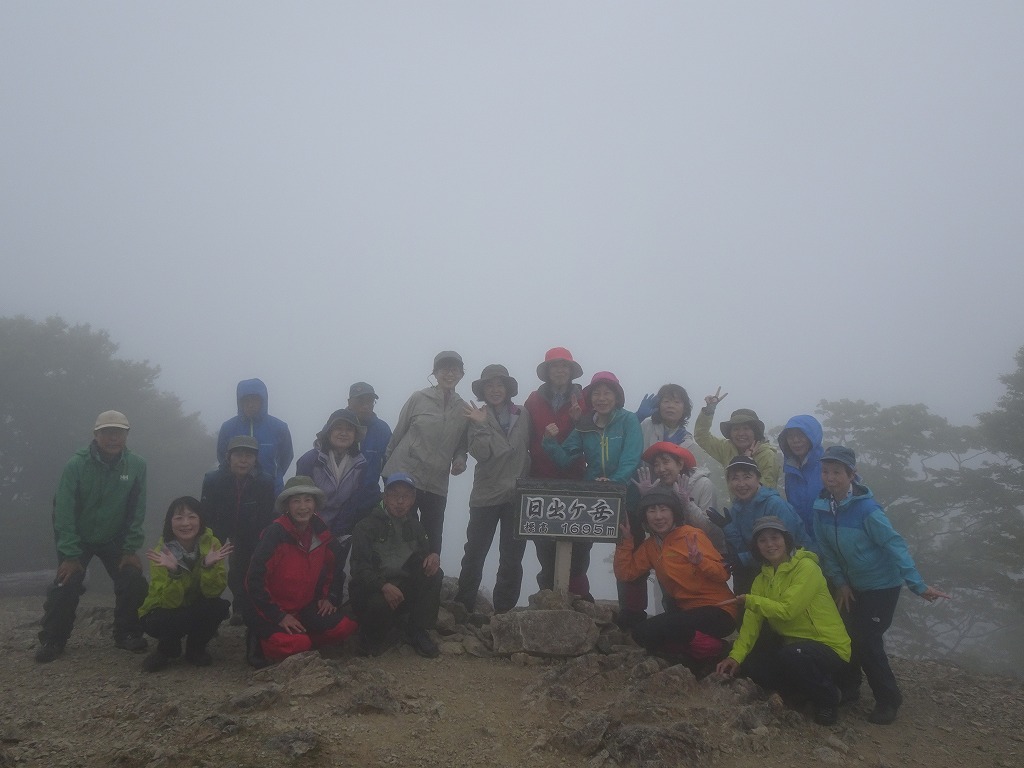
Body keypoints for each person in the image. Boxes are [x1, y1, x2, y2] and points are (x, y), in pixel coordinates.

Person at [812, 446, 950, 725]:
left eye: (837, 472)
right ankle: (849, 688)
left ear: (852, 474)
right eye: (826, 471)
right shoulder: (821, 507)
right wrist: (840, 583)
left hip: (881, 585)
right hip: (851, 585)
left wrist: (917, 584)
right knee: (844, 635)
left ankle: (888, 699)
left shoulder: (867, 509)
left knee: (866, 640)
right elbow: (826, 550)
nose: (830, 477)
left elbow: (894, 544)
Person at [35, 410, 150, 663]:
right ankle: (53, 639)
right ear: (95, 435)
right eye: (106, 432)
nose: (113, 437)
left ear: (127, 435)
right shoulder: (76, 465)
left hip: (114, 537)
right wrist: (69, 553)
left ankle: (127, 633)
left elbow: (137, 508)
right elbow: (63, 510)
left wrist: (130, 548)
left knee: (133, 579)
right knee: (66, 582)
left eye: (118, 432)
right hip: (78, 537)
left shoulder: (136, 465)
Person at [716, 516, 852, 726]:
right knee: (754, 666)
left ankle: (828, 698)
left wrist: (751, 600)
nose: (770, 544)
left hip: (828, 646)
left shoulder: (807, 568)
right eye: (762, 540)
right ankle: (803, 689)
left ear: (786, 540)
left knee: (793, 655)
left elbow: (788, 610)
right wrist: (735, 657)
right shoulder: (761, 580)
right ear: (756, 547)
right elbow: (750, 626)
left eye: (775, 537)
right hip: (793, 647)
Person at [542, 371, 643, 606]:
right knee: (579, 550)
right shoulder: (585, 425)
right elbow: (565, 459)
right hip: (593, 496)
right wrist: (548, 441)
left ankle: (632, 611)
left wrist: (615, 482)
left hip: (628, 496)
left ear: (617, 397)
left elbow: (631, 457)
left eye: (607, 393)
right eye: (596, 393)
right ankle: (579, 602)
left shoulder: (628, 420)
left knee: (630, 552)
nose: (601, 398)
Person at [614, 487, 737, 662]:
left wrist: (701, 562)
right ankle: (699, 653)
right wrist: (625, 542)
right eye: (652, 511)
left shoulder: (691, 535)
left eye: (663, 509)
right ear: (645, 517)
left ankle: (719, 649)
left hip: (719, 610)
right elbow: (626, 573)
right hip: (686, 612)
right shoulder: (651, 546)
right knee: (641, 633)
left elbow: (723, 574)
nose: (658, 516)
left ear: (674, 513)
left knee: (667, 627)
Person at [246, 476, 358, 663]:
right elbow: (254, 579)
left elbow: (335, 566)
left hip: (304, 607)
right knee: (297, 645)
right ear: (287, 506)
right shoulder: (275, 533)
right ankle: (259, 639)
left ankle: (302, 639)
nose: (303, 507)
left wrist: (329, 597)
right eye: (296, 501)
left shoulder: (321, 532)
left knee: (344, 627)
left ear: (315, 504)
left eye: (308, 500)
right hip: (270, 609)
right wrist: (279, 616)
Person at [455, 365, 531, 614]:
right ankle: (463, 608)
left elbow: (532, 446)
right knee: (474, 553)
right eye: (489, 385)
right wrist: (480, 425)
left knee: (512, 558)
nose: (495, 390)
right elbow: (481, 453)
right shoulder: (476, 416)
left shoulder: (523, 413)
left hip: (517, 495)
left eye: (500, 385)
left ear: (508, 388)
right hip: (486, 495)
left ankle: (504, 613)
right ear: (483, 390)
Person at [382, 351, 469, 556]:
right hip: (405, 475)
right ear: (435, 373)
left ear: (461, 374)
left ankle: (427, 576)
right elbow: (398, 433)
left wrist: (460, 460)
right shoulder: (419, 398)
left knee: (432, 541)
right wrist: (386, 470)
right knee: (402, 536)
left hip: (437, 482)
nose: (449, 374)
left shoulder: (464, 409)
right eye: (444, 369)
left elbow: (461, 445)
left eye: (454, 369)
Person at [349, 473, 443, 658]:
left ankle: (417, 629)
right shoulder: (365, 526)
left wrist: (432, 557)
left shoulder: (416, 527)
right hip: (373, 591)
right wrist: (383, 586)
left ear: (413, 500)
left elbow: (422, 558)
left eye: (406, 496)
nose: (400, 501)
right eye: (394, 495)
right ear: (385, 496)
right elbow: (358, 568)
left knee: (434, 574)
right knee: (378, 605)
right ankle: (370, 637)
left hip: (402, 589)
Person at [523, 347, 590, 598]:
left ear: (571, 371)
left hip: (576, 479)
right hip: (541, 479)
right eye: (555, 366)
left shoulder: (585, 399)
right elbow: (524, 436)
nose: (560, 370)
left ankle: (580, 598)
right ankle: (548, 597)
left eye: (564, 366)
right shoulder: (533, 400)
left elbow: (597, 432)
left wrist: (579, 420)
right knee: (544, 544)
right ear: (547, 371)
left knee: (580, 544)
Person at [138, 496, 232, 672]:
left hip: (193, 605)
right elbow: (169, 603)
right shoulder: (162, 552)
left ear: (200, 520)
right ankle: (166, 649)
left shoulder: (212, 544)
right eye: (179, 518)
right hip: (162, 611)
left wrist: (207, 566)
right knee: (172, 618)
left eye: (192, 517)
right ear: (170, 522)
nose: (185, 523)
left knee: (218, 607)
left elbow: (213, 592)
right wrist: (174, 572)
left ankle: (195, 649)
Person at [200, 435, 276, 625]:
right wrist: (207, 536)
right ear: (228, 457)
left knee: (242, 568)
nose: (243, 460)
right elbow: (206, 511)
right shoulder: (213, 479)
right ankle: (207, 611)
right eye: (238, 455)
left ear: (255, 459)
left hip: (250, 528)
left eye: (249, 456)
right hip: (218, 525)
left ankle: (241, 608)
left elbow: (267, 513)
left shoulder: (265, 481)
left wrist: (263, 538)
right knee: (208, 564)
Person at [723, 456, 811, 596]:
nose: (741, 484)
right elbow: (745, 547)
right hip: (763, 568)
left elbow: (787, 547)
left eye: (747, 477)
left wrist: (743, 559)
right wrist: (729, 529)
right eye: (735, 478)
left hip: (793, 568)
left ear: (758, 478)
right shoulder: (736, 509)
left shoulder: (775, 505)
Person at [633, 442, 725, 553]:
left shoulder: (703, 484)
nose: (661, 469)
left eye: (666, 462)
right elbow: (651, 530)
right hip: (672, 553)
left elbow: (710, 529)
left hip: (705, 552)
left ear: (680, 464)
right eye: (656, 465)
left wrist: (687, 504)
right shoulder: (659, 488)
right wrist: (647, 498)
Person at [295, 408, 368, 538]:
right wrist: (318, 531)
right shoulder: (309, 460)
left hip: (343, 529)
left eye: (349, 429)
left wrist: (337, 532)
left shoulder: (360, 465)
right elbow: (301, 500)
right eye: (338, 428)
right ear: (329, 432)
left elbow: (353, 503)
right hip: (308, 527)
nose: (344, 433)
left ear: (355, 435)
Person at [216, 378, 294, 494]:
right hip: (235, 491)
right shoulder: (228, 427)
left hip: (272, 491)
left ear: (263, 401)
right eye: (246, 400)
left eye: (254, 400)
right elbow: (222, 456)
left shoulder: (279, 427)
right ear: (240, 402)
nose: (250, 405)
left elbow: (286, 456)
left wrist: (274, 475)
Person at [694, 387, 779, 489]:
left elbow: (767, 489)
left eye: (746, 428)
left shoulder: (766, 455)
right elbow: (701, 436)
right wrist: (709, 410)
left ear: (755, 432)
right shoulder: (727, 449)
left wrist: (745, 461)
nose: (741, 433)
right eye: (736, 429)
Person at [346, 382, 392, 520]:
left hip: (369, 504)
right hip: (336, 505)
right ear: (349, 402)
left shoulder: (382, 430)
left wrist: (391, 495)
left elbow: (389, 468)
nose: (366, 405)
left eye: (370, 401)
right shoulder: (336, 425)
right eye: (360, 400)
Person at [778, 415, 825, 540]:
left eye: (801, 435)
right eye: (790, 436)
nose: (795, 440)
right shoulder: (790, 471)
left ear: (812, 437)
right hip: (803, 543)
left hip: (829, 542)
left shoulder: (828, 467)